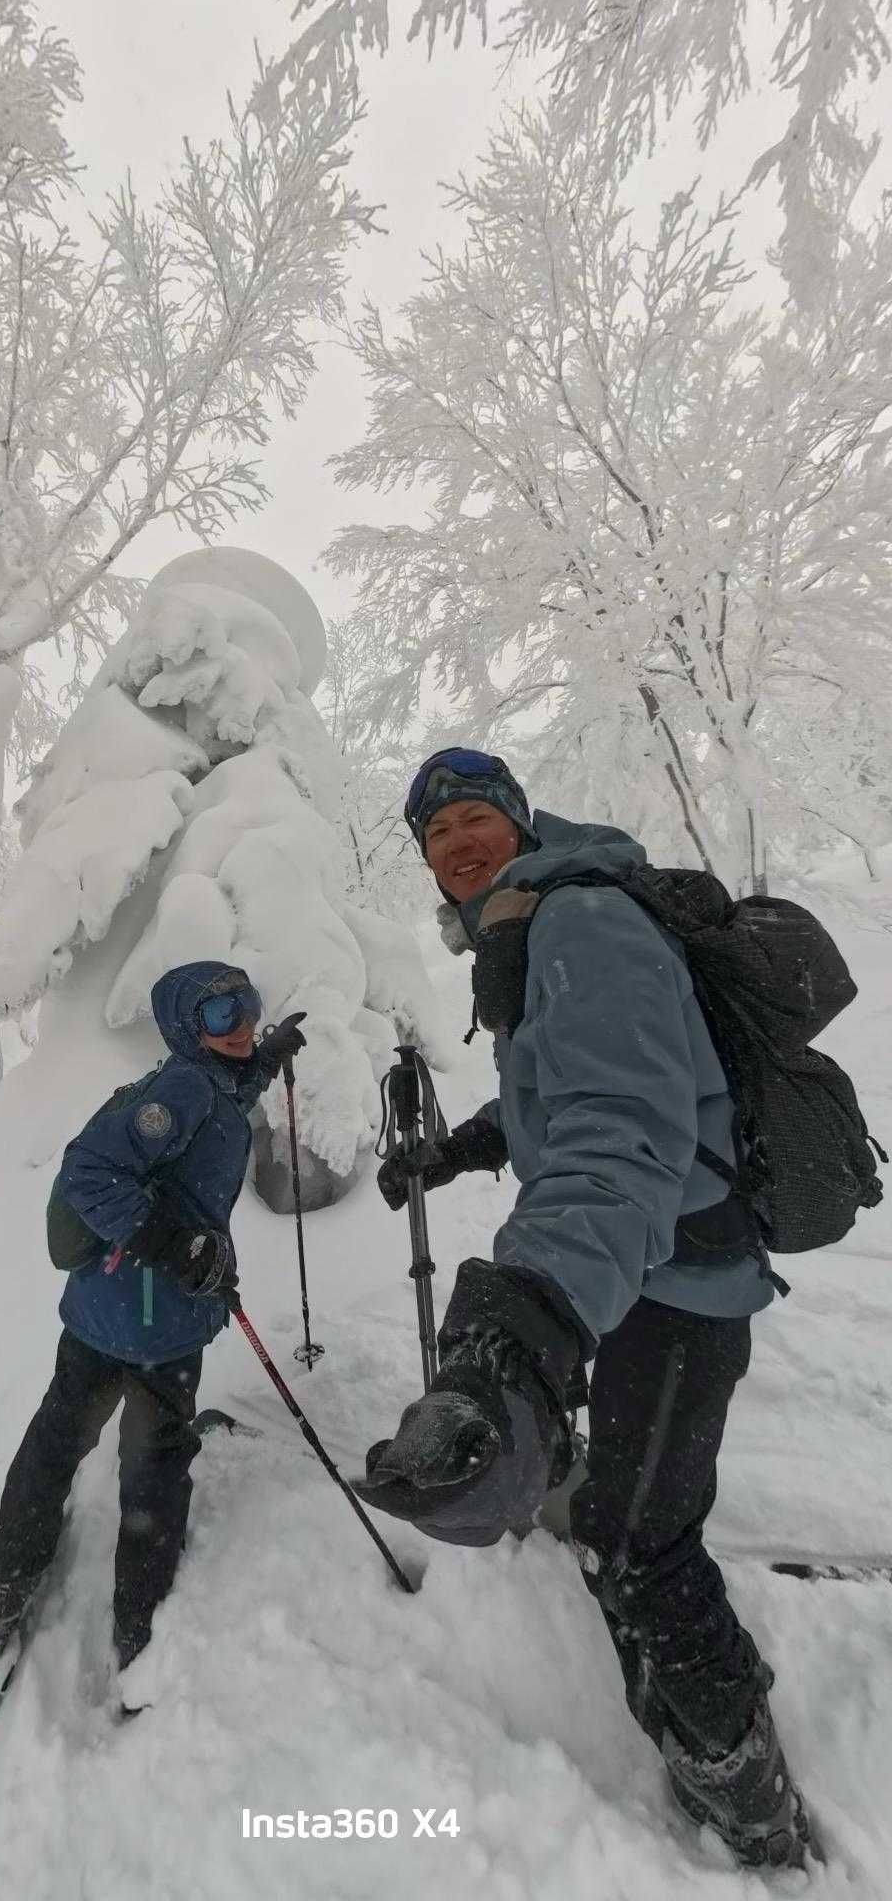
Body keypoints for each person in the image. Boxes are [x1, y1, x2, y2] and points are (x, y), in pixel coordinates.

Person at [357, 748, 815, 1870]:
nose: (456, 843)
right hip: (644, 1265)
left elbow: (620, 1134)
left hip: (679, 1278)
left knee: (642, 1542)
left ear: (520, 821)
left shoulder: (581, 922)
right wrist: (462, 1149)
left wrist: (519, 1327)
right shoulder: (540, 919)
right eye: (435, 834)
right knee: (625, 1507)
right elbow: (567, 1092)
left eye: (475, 817)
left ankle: (748, 1799)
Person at [0, 961, 306, 1691]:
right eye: (220, 1016)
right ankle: (137, 1625)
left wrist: (263, 1063)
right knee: (152, 1466)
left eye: (247, 1007)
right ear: (187, 1028)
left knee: (58, 1438)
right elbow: (88, 1171)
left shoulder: (203, 1080)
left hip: (104, 1312)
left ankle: (13, 1582)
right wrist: (176, 1244)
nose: (241, 1026)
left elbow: (213, 1105)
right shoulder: (182, 1087)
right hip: (155, 1327)